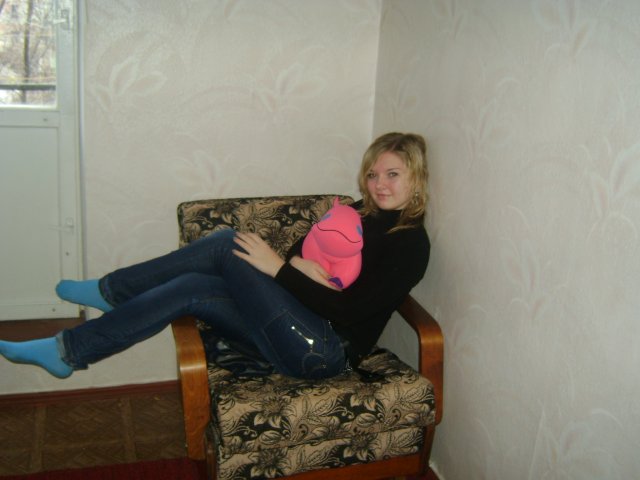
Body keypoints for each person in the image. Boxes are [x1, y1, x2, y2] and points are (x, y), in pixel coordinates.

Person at [0, 132, 430, 380]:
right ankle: (68, 352)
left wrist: (281, 271)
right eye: (373, 174)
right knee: (191, 287)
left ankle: (110, 291)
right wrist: (295, 265)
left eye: (392, 174)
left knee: (227, 244)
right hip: (293, 323)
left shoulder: (410, 243)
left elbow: (350, 311)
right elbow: (302, 250)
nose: (378, 184)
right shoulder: (357, 211)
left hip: (322, 351)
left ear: (416, 178)